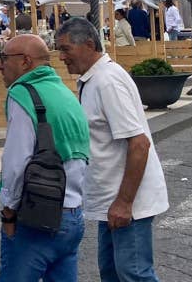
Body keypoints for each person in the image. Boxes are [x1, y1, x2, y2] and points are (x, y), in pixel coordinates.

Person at [56, 18, 168, 282]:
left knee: (133, 274)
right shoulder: (93, 79)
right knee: (113, 273)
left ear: (88, 45)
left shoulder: (107, 82)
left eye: (65, 50)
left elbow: (139, 144)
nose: (61, 57)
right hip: (112, 197)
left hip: (127, 199)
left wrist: (124, 202)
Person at [0, 34, 89, 282]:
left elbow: (15, 163)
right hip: (72, 215)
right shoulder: (64, 92)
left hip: (37, 216)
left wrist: (8, 212)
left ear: (25, 62)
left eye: (4, 58)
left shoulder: (23, 93)